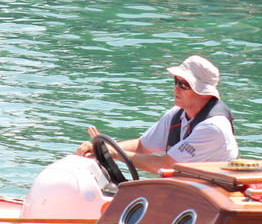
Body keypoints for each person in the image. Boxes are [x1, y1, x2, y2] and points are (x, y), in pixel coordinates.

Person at [75, 55, 238, 173]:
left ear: (204, 93)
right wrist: (102, 149)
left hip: (211, 197)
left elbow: (167, 165)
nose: (176, 89)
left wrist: (114, 153)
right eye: (176, 82)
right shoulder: (176, 114)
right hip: (188, 190)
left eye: (184, 85)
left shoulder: (213, 127)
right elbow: (142, 146)